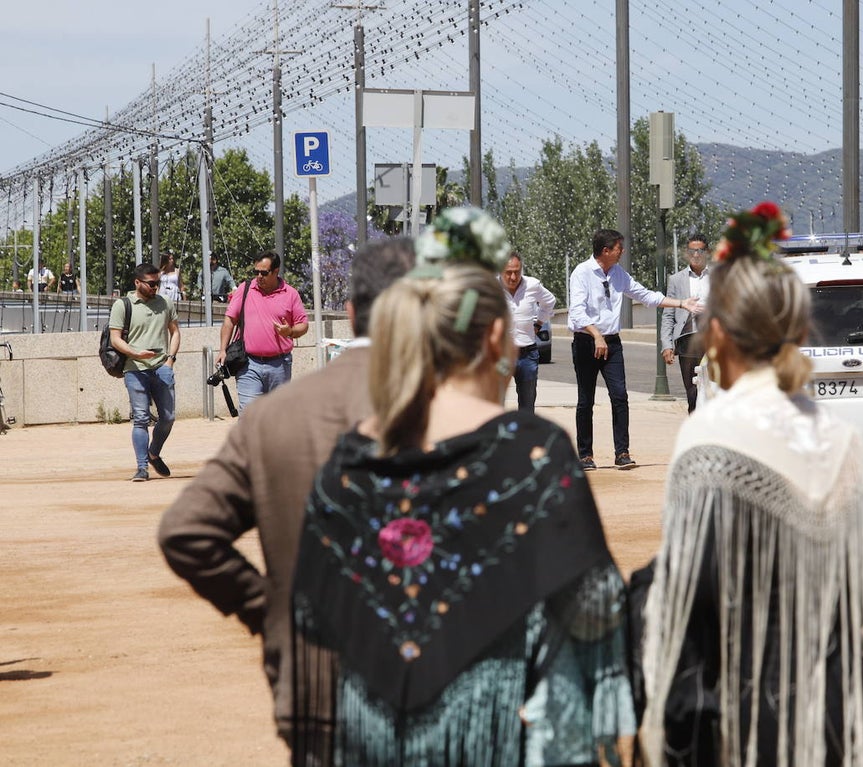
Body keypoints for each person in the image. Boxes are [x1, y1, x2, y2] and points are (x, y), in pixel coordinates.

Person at [289, 207, 635, 765]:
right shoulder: (532, 452)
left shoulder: (348, 460)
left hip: (369, 733)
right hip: (485, 735)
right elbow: (594, 609)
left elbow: (311, 615)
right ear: (497, 332)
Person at [638, 201, 863, 767]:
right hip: (833, 717)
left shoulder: (710, 435)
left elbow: (690, 590)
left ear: (717, 335)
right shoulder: (848, 446)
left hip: (739, 719)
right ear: (798, 330)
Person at [158, 238, 416, 744]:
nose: (258, 277)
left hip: (312, 675)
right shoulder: (466, 417)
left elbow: (184, 531)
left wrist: (269, 610)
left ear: (349, 311)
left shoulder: (278, 422)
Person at [569, 228, 701, 470]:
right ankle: (585, 455)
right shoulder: (582, 273)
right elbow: (576, 313)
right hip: (586, 342)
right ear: (606, 251)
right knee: (585, 400)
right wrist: (596, 334)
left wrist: (682, 303)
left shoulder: (618, 274)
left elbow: (646, 296)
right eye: (619, 248)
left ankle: (622, 452)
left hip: (612, 344)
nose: (622, 251)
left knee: (620, 396)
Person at [107, 263, 180, 482]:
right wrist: (136, 354)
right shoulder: (123, 305)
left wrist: (170, 360)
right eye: (151, 284)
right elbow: (115, 338)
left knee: (168, 417)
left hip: (161, 368)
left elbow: (175, 332)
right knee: (141, 418)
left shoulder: (165, 303)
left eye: (158, 283)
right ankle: (141, 468)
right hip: (135, 370)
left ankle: (153, 453)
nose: (155, 287)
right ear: (137, 282)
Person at [215, 251, 309, 411]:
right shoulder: (245, 289)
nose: (259, 276)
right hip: (249, 364)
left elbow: (303, 324)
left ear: (276, 271)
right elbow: (230, 320)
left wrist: (290, 332)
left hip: (280, 365)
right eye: (256, 272)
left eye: (264, 273)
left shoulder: (290, 294)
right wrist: (223, 349)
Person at [660, 234, 711, 412]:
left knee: (713, 389)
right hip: (687, 340)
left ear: (707, 252)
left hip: (713, 340)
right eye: (692, 251)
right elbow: (668, 315)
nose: (696, 254)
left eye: (700, 250)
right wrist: (666, 345)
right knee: (692, 392)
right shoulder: (676, 279)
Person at [500, 250, 556, 413]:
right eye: (508, 273)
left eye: (516, 272)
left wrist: (538, 323)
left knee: (527, 403)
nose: (512, 277)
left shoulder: (532, 285)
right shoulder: (492, 287)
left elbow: (549, 301)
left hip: (527, 354)